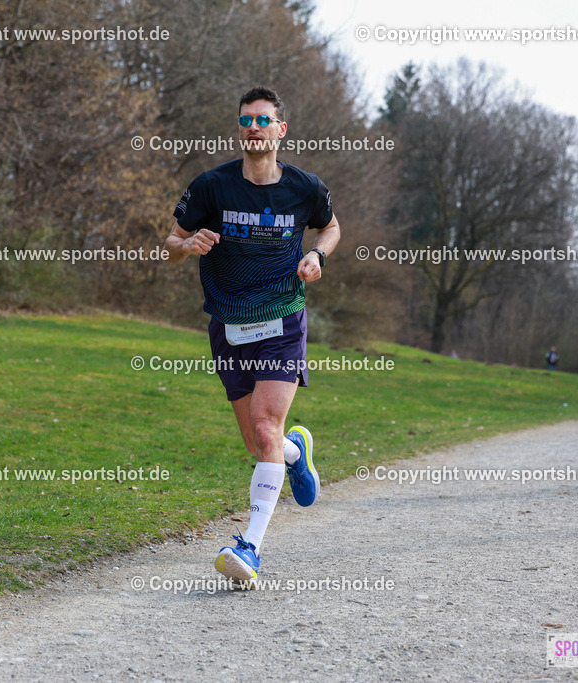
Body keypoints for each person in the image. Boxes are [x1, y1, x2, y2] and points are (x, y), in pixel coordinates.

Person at [163, 86, 340, 584]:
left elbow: (330, 228)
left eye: (263, 120)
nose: (254, 128)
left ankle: (251, 549)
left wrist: (317, 255)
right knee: (257, 442)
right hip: (229, 325)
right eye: (246, 120)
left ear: (281, 129)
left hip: (283, 318)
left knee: (265, 428)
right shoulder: (211, 187)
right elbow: (169, 245)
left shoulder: (306, 188)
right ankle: (295, 453)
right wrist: (187, 245)